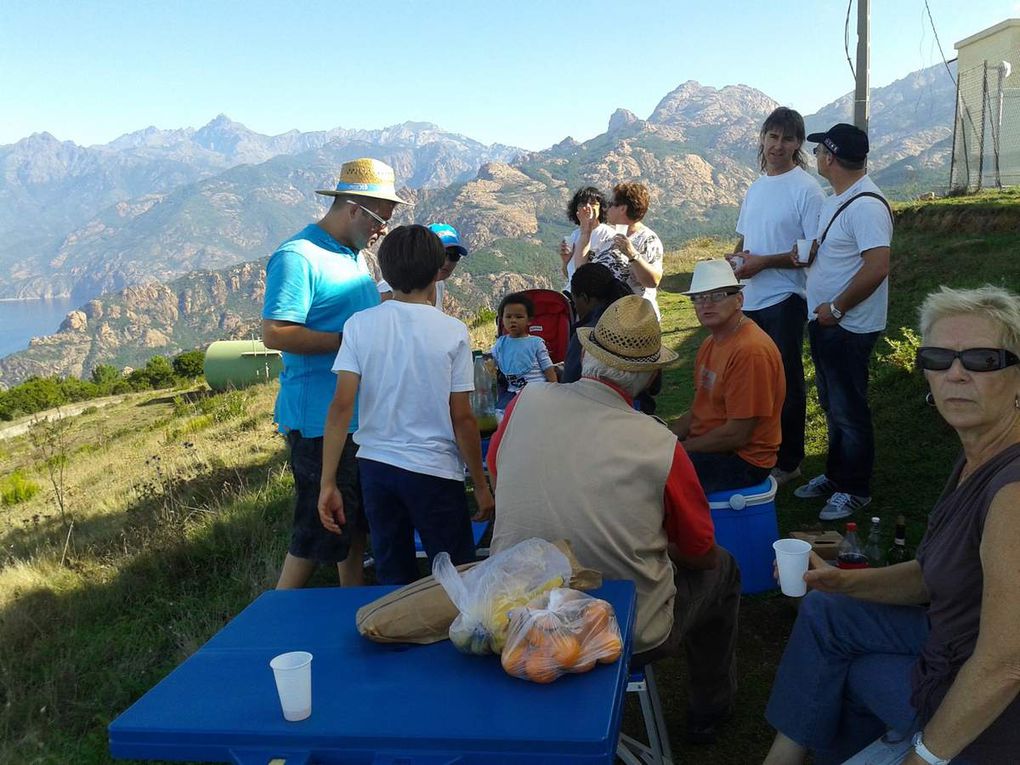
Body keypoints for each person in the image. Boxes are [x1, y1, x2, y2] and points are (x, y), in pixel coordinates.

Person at [762, 285, 1020, 765]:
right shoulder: (977, 456)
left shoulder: (1013, 493)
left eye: (982, 360)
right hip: (947, 640)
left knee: (850, 671)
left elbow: (1006, 664)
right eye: (939, 357)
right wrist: (841, 582)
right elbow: (928, 574)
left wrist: (924, 757)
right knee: (826, 609)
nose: (955, 374)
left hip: (993, 710)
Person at [487, 295, 741, 744]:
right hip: (619, 628)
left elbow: (497, 468)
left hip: (514, 608)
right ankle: (711, 710)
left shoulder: (526, 402)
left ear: (586, 354)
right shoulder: (658, 442)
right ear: (649, 375)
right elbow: (699, 550)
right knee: (723, 568)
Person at [318, 225, 494, 586]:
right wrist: (480, 483)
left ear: (384, 271)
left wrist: (328, 482)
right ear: (436, 273)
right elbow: (462, 417)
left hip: (376, 470)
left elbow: (340, 407)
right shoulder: (453, 331)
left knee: (392, 572)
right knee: (458, 576)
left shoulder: (358, 325)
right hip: (435, 471)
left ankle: (396, 634)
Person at [262, 157, 409, 589]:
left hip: (353, 417)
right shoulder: (298, 257)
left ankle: (354, 605)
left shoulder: (352, 256)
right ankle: (277, 617)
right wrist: (349, 341)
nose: (382, 229)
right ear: (353, 208)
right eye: (380, 218)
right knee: (315, 532)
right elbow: (275, 332)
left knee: (353, 526)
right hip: (318, 423)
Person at [793, 123, 894, 521]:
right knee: (833, 404)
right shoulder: (838, 199)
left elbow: (877, 267)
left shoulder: (867, 206)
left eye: (819, 151)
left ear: (830, 157)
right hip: (827, 322)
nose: (815, 156)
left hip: (847, 326)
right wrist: (811, 253)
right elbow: (841, 251)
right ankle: (836, 477)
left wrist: (835, 309)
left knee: (849, 409)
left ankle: (855, 489)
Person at [727, 107, 825, 486]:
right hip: (749, 299)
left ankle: (789, 460)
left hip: (785, 298)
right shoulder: (756, 186)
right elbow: (745, 238)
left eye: (786, 139)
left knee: (785, 380)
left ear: (798, 144)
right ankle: (756, 450)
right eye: (772, 136)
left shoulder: (806, 189)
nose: (777, 145)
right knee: (752, 381)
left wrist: (764, 263)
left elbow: (811, 250)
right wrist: (735, 260)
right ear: (762, 139)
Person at [670, 260, 785, 494]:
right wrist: (666, 438)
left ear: (739, 300)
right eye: (699, 298)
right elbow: (701, 407)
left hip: (742, 461)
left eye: (717, 295)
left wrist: (677, 450)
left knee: (649, 479)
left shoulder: (750, 351)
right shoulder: (711, 342)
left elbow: (737, 435)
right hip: (713, 446)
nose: (706, 304)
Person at [582, 182, 665, 318]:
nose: (606, 208)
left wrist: (632, 254)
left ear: (622, 209)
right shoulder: (611, 237)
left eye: (611, 204)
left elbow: (653, 281)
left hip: (635, 319)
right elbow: (583, 269)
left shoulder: (648, 239)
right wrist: (585, 231)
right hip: (609, 318)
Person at [561, 262, 632, 384]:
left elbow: (569, 383)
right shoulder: (636, 322)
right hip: (639, 402)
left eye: (575, 301)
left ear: (584, 298)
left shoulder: (584, 336)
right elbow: (655, 386)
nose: (576, 308)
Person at [490, 292, 557, 409]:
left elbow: (548, 368)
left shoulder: (536, 343)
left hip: (537, 390)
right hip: (512, 392)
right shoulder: (500, 344)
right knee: (500, 413)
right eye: (508, 317)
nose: (513, 320)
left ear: (529, 320)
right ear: (502, 320)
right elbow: (491, 364)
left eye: (519, 317)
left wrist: (555, 391)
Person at [378, 223, 467, 310]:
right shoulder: (391, 288)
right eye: (441, 254)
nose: (447, 262)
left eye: (454, 256)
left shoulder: (438, 284)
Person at [560, 186, 615, 294]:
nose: (587, 207)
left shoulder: (608, 235)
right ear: (576, 210)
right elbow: (571, 273)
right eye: (582, 204)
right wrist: (565, 261)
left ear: (601, 208)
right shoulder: (575, 235)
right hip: (572, 293)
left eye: (593, 203)